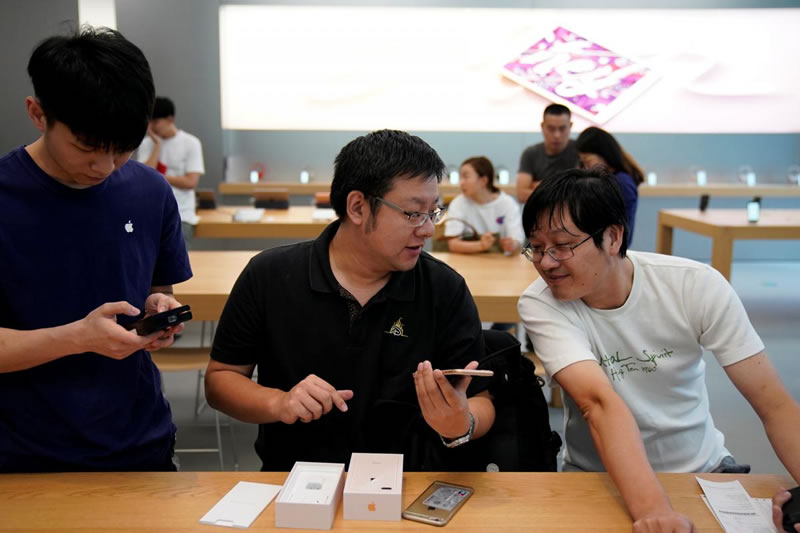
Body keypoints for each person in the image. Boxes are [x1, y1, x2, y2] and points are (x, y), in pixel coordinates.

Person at [517, 168, 800, 532]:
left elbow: (773, 403)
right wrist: (654, 510)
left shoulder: (694, 286)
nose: (545, 262)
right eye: (537, 248)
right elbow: (597, 403)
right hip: (596, 477)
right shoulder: (542, 303)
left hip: (704, 470)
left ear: (613, 237)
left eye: (562, 246)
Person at [205, 129, 496, 471]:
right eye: (413, 213)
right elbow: (220, 379)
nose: (428, 229)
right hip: (295, 482)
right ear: (358, 207)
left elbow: (481, 400)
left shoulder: (443, 288)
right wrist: (279, 402)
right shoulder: (269, 275)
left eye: (434, 212)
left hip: (408, 487)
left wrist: (461, 424)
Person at [0, 27, 192, 472]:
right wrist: (77, 338)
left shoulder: (151, 192)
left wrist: (158, 310)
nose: (104, 167)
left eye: (124, 148)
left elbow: (153, 289)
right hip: (24, 456)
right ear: (37, 113)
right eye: (87, 148)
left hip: (139, 441)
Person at [136, 96, 205, 248]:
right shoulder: (147, 144)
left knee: (178, 262)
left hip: (182, 214)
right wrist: (157, 146)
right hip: (150, 213)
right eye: (149, 122)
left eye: (155, 122)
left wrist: (158, 178)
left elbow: (191, 182)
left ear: (169, 119)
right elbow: (142, 179)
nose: (151, 127)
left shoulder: (190, 143)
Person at [576, 126, 643, 247]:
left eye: (588, 161)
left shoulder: (622, 183)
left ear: (604, 154)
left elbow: (620, 231)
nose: (585, 168)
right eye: (582, 163)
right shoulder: (608, 180)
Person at [444, 156, 524, 255]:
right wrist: (481, 245)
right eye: (461, 177)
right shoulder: (458, 203)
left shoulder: (508, 204)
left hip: (501, 262)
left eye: (466, 177)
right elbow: (453, 244)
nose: (461, 183)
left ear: (483, 181)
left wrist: (512, 245)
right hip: (467, 261)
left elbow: (517, 242)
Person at [515, 103, 578, 204]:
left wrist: (541, 186)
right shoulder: (531, 153)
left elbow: (584, 193)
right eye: (551, 129)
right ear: (542, 126)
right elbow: (521, 195)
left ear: (570, 126)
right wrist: (567, 188)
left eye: (562, 129)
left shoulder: (581, 151)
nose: (557, 135)